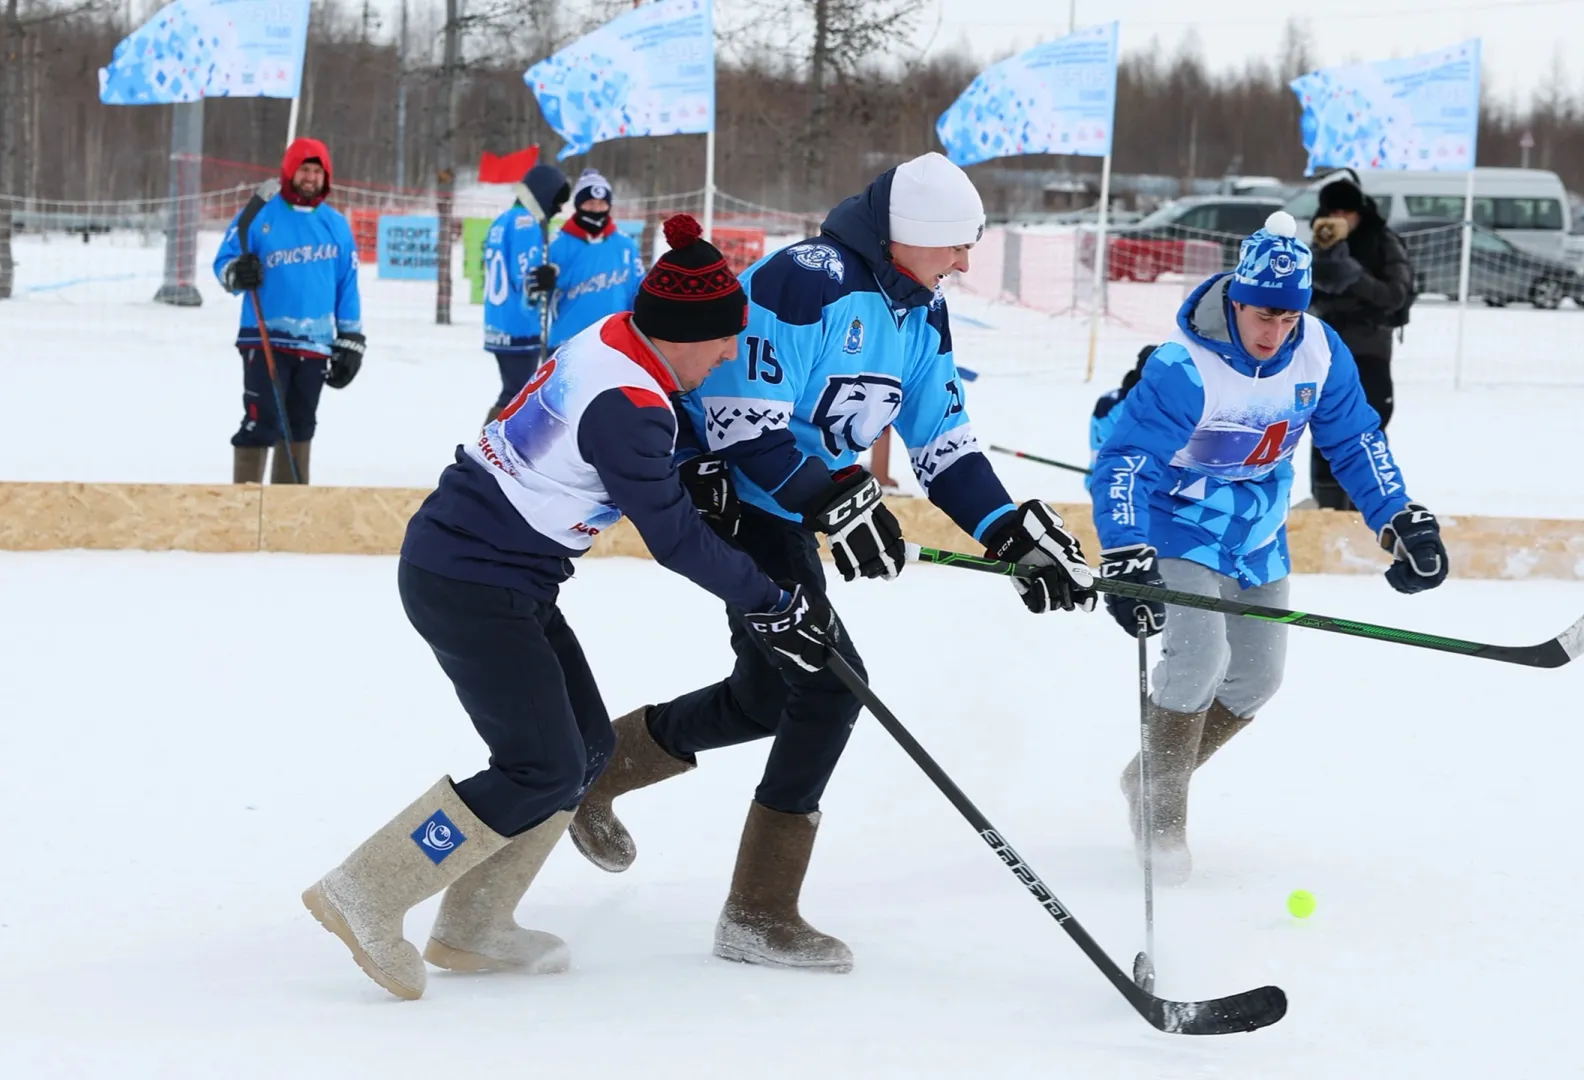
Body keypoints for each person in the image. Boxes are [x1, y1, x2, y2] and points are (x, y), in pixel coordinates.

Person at [566, 157, 1097, 973]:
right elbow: (743, 426)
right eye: (954, 246)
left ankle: (598, 768)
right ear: (908, 237)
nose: (963, 263)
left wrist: (1008, 530)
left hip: (797, 511)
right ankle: (758, 911)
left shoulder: (924, 314)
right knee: (827, 683)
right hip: (738, 506)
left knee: (765, 696)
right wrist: (833, 498)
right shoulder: (807, 281)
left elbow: (946, 447)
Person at [300, 218, 840, 1001]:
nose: (730, 354)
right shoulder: (631, 405)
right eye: (723, 340)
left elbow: (649, 461)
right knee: (539, 765)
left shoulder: (618, 338)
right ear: (684, 334)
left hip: (503, 578)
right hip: (470, 582)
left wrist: (696, 473)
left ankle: (475, 923)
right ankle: (367, 889)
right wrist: (773, 602)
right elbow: (677, 540)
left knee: (583, 753)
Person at [1089, 211, 1448, 883]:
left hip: (1256, 532)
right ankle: (1162, 820)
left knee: (1258, 677)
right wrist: (1124, 549)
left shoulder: (1320, 351)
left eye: (1288, 320)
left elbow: (1355, 440)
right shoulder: (1182, 366)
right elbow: (1123, 464)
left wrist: (1398, 517)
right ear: (1237, 298)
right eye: (1262, 316)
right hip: (1177, 522)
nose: (1272, 333)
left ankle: (1147, 775)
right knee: (1197, 659)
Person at [212, 137, 364, 485]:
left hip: (314, 343)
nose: (310, 178)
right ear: (289, 171)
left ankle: (290, 510)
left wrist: (352, 336)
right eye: (303, 170)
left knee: (301, 423)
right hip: (264, 336)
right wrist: (238, 271)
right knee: (261, 419)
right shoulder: (259, 215)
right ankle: (245, 507)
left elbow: (347, 284)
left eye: (317, 171)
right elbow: (223, 262)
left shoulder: (336, 225)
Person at [1303, 177, 1411, 511]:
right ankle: (1326, 510)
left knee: (1368, 431)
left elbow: (1396, 296)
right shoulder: (1318, 244)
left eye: (1346, 212)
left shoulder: (1383, 243)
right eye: (1332, 212)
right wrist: (1317, 272)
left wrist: (1354, 276)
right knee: (1323, 432)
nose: (1340, 219)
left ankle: (1372, 509)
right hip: (1326, 353)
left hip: (1369, 352)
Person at [482, 163, 571, 425]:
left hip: (498, 320)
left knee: (514, 390)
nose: (558, 208)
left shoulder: (503, 219)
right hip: (519, 325)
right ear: (544, 194)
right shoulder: (526, 222)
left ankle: (492, 454)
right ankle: (488, 454)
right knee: (517, 394)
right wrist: (546, 278)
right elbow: (528, 278)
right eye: (557, 200)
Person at [536, 170, 640, 351]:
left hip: (614, 343)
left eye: (601, 204)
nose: (596, 209)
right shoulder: (556, 243)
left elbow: (636, 291)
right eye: (590, 203)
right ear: (578, 205)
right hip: (568, 341)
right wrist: (541, 283)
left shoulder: (625, 244)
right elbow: (536, 296)